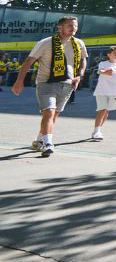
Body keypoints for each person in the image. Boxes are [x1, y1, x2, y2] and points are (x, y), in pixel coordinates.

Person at [11, 16, 88, 157]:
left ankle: (39, 140)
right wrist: (19, 81)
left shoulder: (79, 43)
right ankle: (48, 143)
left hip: (68, 84)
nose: (74, 28)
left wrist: (80, 75)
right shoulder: (45, 43)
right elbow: (28, 62)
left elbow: (83, 60)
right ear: (60, 27)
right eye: (70, 26)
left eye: (75, 26)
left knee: (54, 115)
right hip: (46, 83)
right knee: (49, 112)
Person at [90, 45, 116, 141]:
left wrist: (113, 71)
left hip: (115, 91)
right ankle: (97, 131)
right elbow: (100, 71)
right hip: (101, 91)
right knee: (102, 110)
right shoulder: (103, 63)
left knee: (106, 111)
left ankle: (98, 130)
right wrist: (106, 72)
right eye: (115, 53)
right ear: (108, 54)